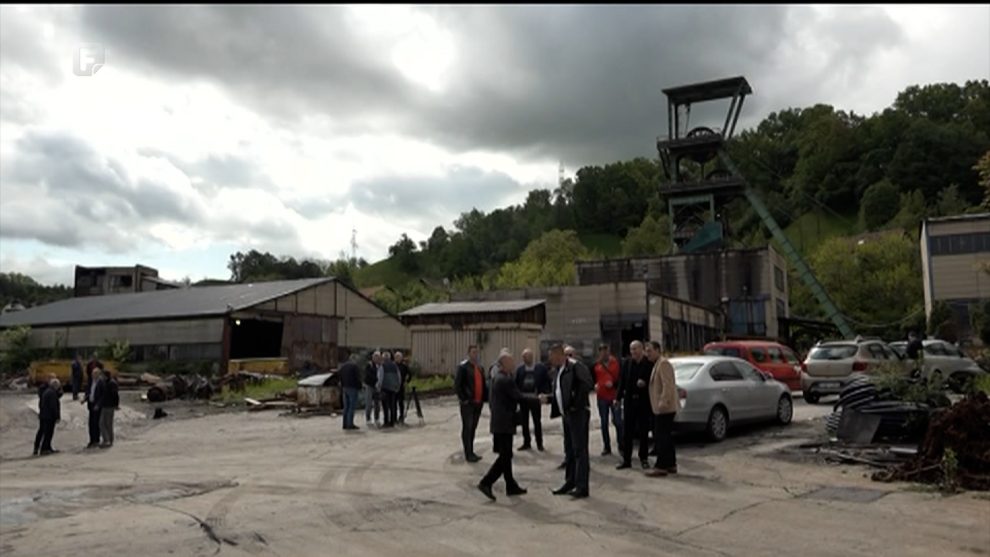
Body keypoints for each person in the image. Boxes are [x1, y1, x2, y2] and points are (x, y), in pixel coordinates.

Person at [477, 349, 544, 501]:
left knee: (506, 456)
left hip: (501, 422)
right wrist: (537, 399)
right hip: (504, 422)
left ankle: (510, 485)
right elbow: (519, 397)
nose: (514, 364)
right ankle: (486, 482)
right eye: (511, 361)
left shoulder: (499, 377)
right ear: (504, 363)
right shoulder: (504, 380)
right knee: (505, 456)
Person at [549, 344, 595, 499]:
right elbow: (560, 391)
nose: (550, 359)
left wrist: (575, 403)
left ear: (558, 355)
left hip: (577, 413)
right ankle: (570, 481)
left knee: (579, 450)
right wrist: (549, 399)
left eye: (552, 356)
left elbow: (587, 384)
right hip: (566, 414)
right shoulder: (559, 370)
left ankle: (582, 486)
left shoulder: (575, 367)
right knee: (569, 450)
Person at [617, 341, 654, 470]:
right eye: (631, 349)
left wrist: (645, 383)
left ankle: (644, 458)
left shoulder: (649, 364)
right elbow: (621, 381)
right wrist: (618, 398)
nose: (633, 352)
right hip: (629, 401)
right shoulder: (627, 363)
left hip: (643, 401)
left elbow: (653, 381)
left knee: (643, 431)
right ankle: (626, 459)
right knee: (627, 432)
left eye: (636, 349)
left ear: (642, 349)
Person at [647, 342, 678, 477]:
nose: (647, 354)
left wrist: (663, 402)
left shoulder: (663, 364)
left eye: (650, 351)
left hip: (665, 408)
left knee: (661, 437)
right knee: (666, 436)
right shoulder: (657, 364)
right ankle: (671, 464)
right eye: (647, 351)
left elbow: (668, 385)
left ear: (657, 350)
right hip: (660, 407)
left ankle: (661, 466)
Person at [454, 345, 488, 463]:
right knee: (467, 428)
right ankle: (468, 453)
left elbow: (483, 384)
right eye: (473, 352)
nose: (475, 355)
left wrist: (485, 398)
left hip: (478, 402)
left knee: (473, 428)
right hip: (468, 403)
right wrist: (464, 399)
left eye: (476, 352)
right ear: (469, 354)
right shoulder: (463, 367)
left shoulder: (480, 368)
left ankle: (471, 451)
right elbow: (458, 385)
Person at [514, 348, 550, 451]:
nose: (527, 358)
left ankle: (539, 443)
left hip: (535, 399)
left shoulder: (540, 368)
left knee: (537, 422)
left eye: (529, 356)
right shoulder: (520, 369)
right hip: (524, 399)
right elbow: (516, 383)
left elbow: (546, 381)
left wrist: (544, 394)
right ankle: (526, 442)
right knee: (524, 422)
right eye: (525, 357)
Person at [593, 343, 623, 457]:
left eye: (605, 351)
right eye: (601, 351)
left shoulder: (616, 363)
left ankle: (621, 445)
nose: (604, 353)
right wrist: (594, 385)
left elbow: (621, 378)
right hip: (601, 397)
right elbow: (592, 378)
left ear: (608, 351)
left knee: (618, 422)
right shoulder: (596, 365)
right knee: (604, 422)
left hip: (614, 396)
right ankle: (607, 446)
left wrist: (614, 384)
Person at [82, 364, 106, 449]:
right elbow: (89, 392)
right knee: (91, 423)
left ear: (98, 374)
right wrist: (85, 399)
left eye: (95, 374)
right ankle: (91, 440)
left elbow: (103, 395)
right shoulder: (91, 382)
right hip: (91, 404)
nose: (93, 376)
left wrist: (98, 404)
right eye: (92, 374)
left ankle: (96, 440)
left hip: (97, 405)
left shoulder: (101, 382)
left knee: (96, 423)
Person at [36, 378, 62, 456]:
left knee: (47, 433)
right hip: (49, 417)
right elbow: (53, 406)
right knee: (48, 433)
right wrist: (57, 416)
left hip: (44, 415)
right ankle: (44, 448)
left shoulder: (47, 391)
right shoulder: (52, 393)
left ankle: (47, 447)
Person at [378, 351, 401, 428]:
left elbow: (380, 377)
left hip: (385, 388)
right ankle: (392, 422)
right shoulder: (395, 366)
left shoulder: (382, 366)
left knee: (385, 406)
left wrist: (379, 387)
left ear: (383, 358)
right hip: (393, 388)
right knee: (392, 405)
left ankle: (386, 422)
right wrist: (398, 386)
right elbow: (399, 377)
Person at [338, 356, 362, 430]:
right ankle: (350, 424)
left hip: (345, 387)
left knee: (346, 407)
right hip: (352, 387)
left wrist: (342, 385)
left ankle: (345, 424)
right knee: (351, 406)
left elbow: (340, 377)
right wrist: (360, 386)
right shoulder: (354, 367)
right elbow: (357, 378)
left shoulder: (343, 366)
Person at [99, 369, 120, 448]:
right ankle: (106, 439)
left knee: (108, 424)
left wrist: (116, 405)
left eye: (102, 375)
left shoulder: (112, 383)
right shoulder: (105, 383)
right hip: (104, 405)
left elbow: (115, 395)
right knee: (102, 423)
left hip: (109, 406)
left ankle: (109, 440)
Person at [363, 352, 382, 427]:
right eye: (375, 357)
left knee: (377, 404)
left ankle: (377, 418)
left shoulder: (380, 366)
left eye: (378, 357)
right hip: (370, 386)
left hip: (377, 387)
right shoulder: (369, 365)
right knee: (369, 403)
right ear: (373, 358)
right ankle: (368, 419)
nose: (377, 359)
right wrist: (376, 380)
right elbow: (368, 375)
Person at [394, 351, 411, 425]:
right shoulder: (393, 365)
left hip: (401, 386)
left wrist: (407, 382)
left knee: (401, 402)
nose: (398, 359)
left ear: (401, 358)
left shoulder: (404, 366)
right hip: (394, 386)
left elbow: (410, 374)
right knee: (394, 403)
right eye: (396, 357)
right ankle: (394, 417)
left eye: (399, 357)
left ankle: (401, 417)